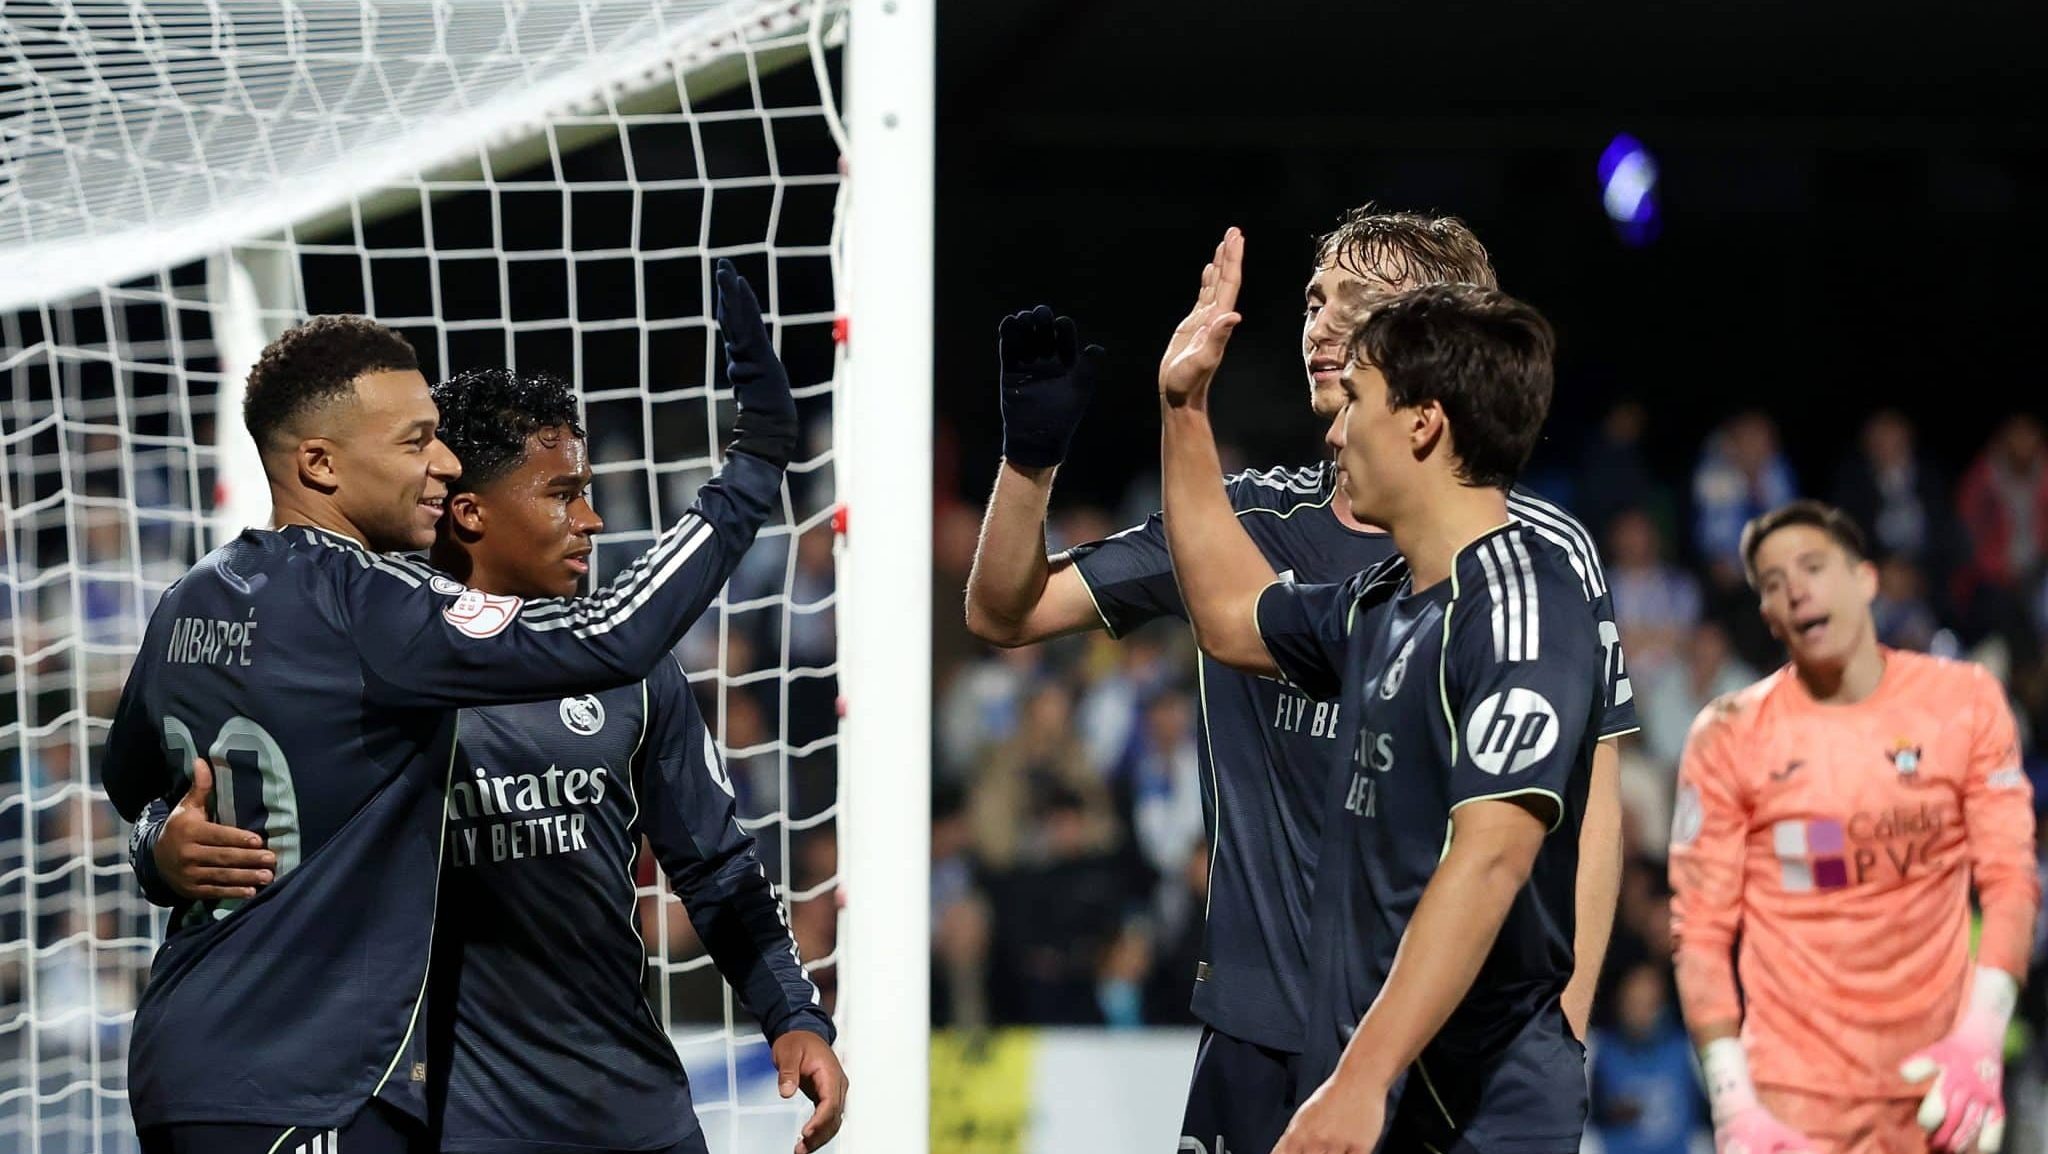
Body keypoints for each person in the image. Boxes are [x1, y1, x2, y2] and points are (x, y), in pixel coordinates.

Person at [963, 206, 1633, 1154]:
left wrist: (1569, 1020)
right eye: (1315, 301)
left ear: (1434, 349)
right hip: (1264, 1029)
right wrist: (1057, 453)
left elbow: (1566, 816)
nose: (1321, 327)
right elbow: (1032, 613)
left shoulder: (1533, 568)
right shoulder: (1322, 570)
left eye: (1356, 307)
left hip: (1451, 1043)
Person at [100, 260, 797, 1154]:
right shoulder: (373, 608)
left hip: (192, 1056)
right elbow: (614, 634)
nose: (442, 462)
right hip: (312, 1078)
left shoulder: (191, 599)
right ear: (319, 462)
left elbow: (134, 783)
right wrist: (755, 461)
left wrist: (156, 847)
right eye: (415, 442)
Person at [1156, 227, 1606, 1151]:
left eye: (1356, 401)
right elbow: (1229, 617)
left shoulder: (1525, 603)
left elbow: (1491, 858)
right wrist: (1182, 407)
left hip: (1472, 1104)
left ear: (1422, 423)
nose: (1334, 430)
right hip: (1372, 1073)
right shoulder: (1382, 602)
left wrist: (1360, 1081)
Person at [1669, 500, 2038, 1154]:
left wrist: (1982, 1038)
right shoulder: (1728, 735)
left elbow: (2010, 880)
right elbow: (1700, 929)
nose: (1795, 589)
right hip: (1793, 1104)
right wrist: (1733, 1103)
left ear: (1866, 579)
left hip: (1938, 1085)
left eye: (1812, 567)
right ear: (1769, 614)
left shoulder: (1965, 702)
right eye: (1774, 582)